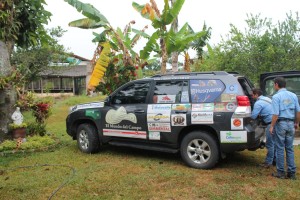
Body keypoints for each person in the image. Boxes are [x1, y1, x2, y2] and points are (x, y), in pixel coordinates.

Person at [269, 77, 300, 180]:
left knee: (280, 148)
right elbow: (298, 111)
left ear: (276, 84)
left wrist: (272, 126)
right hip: (291, 123)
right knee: (290, 148)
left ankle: (281, 172)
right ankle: (292, 173)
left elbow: (275, 114)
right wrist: (297, 123)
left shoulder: (276, 97)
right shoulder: (293, 95)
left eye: (274, 84)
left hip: (281, 123)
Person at [251, 88, 275, 168]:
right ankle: (274, 160)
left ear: (256, 95)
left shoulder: (258, 103)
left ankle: (268, 163)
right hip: (276, 122)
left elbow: (253, 116)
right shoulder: (267, 98)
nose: (252, 96)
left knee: (269, 144)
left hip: (270, 124)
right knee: (274, 143)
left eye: (252, 95)